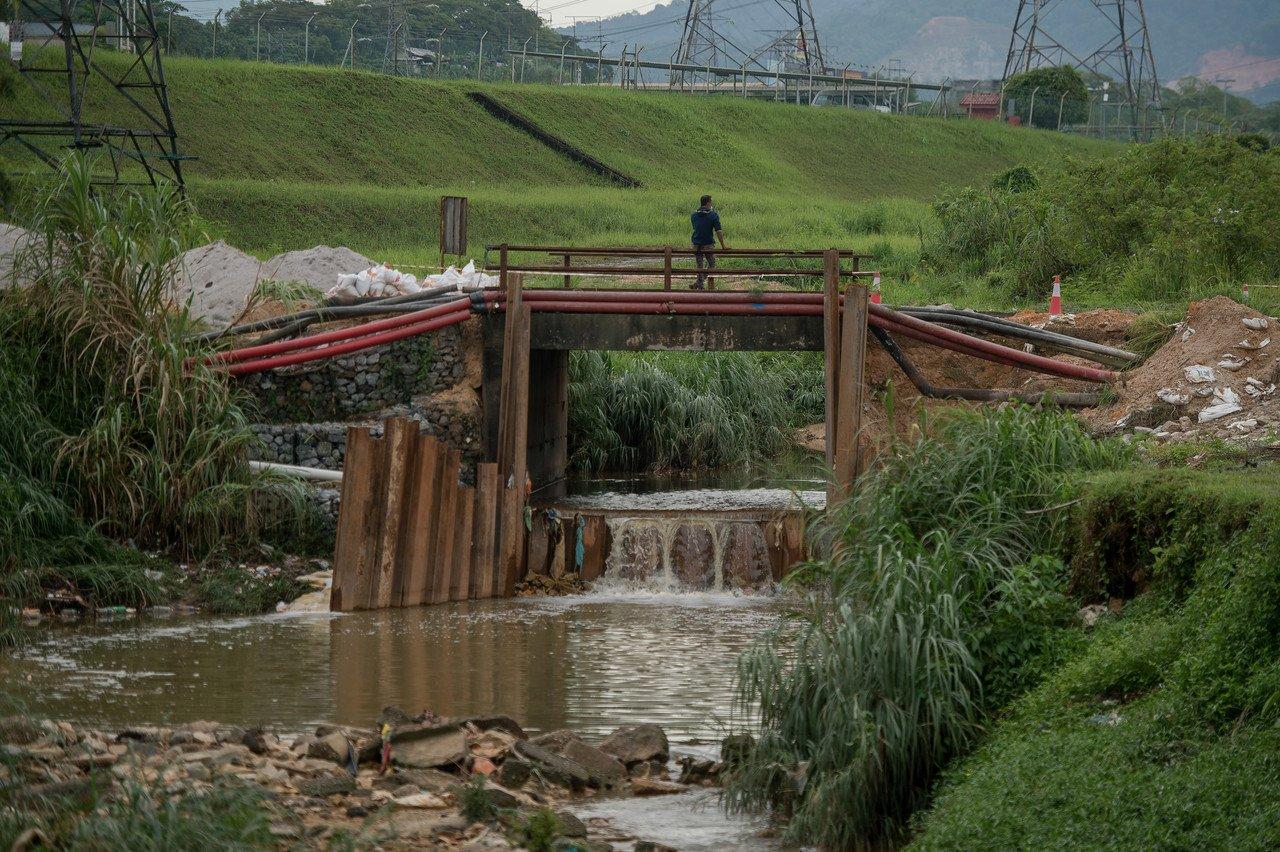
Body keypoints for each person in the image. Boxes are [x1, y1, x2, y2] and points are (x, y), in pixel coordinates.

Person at [690, 195, 727, 290]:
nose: (711, 204)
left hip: (696, 244)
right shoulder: (713, 215)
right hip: (708, 245)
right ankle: (699, 283)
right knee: (712, 264)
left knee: (699, 267)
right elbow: (718, 231)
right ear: (708, 203)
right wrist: (723, 245)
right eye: (711, 202)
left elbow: (697, 228)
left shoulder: (693, 215)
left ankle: (699, 286)